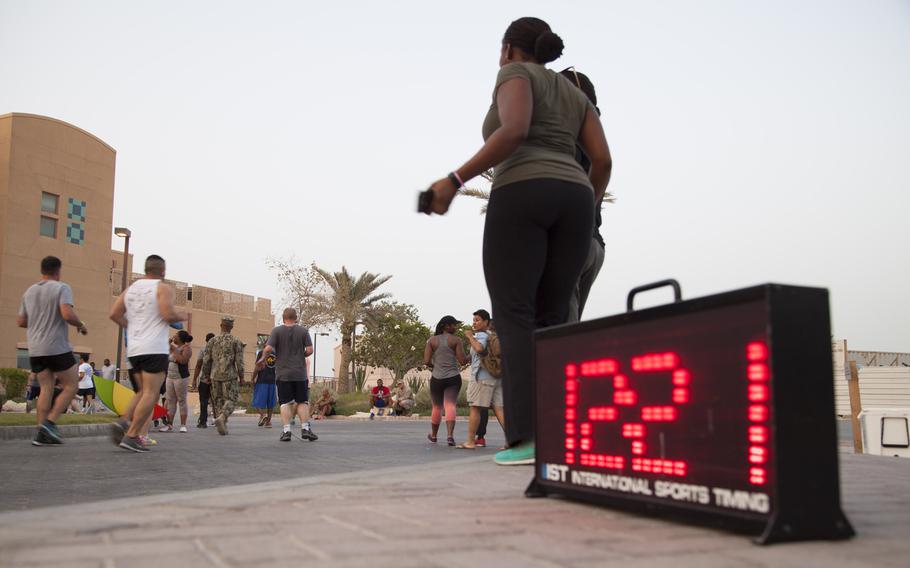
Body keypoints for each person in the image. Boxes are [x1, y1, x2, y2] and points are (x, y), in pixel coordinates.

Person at [420, 18, 611, 464]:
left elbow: (516, 129)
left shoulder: (515, 73)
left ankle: (526, 438)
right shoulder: (576, 95)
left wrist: (453, 180)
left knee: (514, 315)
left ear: (508, 48)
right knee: (552, 319)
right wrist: (586, 203)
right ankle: (561, 434)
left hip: (522, 193)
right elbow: (601, 160)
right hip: (576, 202)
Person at [109, 254, 188, 452]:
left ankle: (124, 421)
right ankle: (132, 435)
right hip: (153, 347)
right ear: (162, 271)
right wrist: (182, 315)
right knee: (151, 394)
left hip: (134, 349)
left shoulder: (131, 289)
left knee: (141, 391)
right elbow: (167, 314)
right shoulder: (162, 288)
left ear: (146, 269)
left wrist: (133, 327)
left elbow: (114, 314)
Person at [16, 256, 87, 446]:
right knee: (72, 386)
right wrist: (80, 325)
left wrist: (39, 322)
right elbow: (67, 313)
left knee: (46, 388)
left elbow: (21, 321)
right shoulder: (61, 288)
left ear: (42, 270)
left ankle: (41, 432)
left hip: (35, 348)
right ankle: (50, 422)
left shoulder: (29, 291)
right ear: (58, 270)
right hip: (55, 346)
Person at [560, 67, 607, 323]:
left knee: (557, 333)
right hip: (594, 243)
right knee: (569, 325)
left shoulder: (569, 132)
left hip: (571, 244)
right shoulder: (594, 132)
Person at [257, 308, 317, 443]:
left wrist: (262, 360)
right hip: (300, 374)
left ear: (283, 318)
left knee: (285, 402)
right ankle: (305, 429)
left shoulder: (276, 331)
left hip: (283, 374)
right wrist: (301, 356)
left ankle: (286, 431)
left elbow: (267, 349)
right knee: (302, 401)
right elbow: (309, 350)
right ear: (295, 318)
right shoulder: (303, 331)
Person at [458, 310, 506, 449]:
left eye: (478, 320)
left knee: (475, 408)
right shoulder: (493, 336)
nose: (474, 322)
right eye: (474, 320)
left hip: (481, 378)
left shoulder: (481, 336)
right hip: (496, 377)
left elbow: (479, 349)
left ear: (486, 322)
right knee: (499, 409)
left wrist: (469, 337)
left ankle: (470, 441)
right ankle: (512, 441)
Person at [423, 316, 469, 446]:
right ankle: (450, 436)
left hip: (437, 378)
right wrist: (474, 354)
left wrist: (435, 366)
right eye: (453, 325)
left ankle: (434, 436)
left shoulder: (431, 341)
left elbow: (426, 361)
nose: (456, 327)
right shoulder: (456, 340)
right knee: (450, 405)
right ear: (446, 326)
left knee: (437, 407)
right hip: (453, 377)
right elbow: (462, 360)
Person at [202, 316, 245, 436]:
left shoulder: (212, 341)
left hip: (214, 375)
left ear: (221, 325)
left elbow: (206, 360)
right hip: (229, 375)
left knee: (218, 400)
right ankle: (223, 418)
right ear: (231, 327)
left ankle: (223, 423)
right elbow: (239, 361)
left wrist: (206, 374)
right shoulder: (236, 341)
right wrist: (241, 376)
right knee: (231, 399)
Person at [160, 330, 193, 433]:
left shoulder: (186, 348)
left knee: (181, 400)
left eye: (176, 335)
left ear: (180, 338)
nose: (173, 336)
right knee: (170, 400)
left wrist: (173, 349)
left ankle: (183, 425)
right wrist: (168, 344)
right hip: (170, 377)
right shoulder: (173, 347)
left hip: (181, 377)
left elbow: (183, 360)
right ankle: (169, 424)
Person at [190, 332, 216, 428]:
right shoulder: (218, 351)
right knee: (215, 401)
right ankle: (216, 419)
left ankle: (203, 421)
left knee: (203, 401)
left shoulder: (203, 350)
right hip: (216, 380)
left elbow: (198, 366)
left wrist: (194, 379)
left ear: (206, 340)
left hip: (204, 380)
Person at [251, 349, 278, 428]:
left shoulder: (261, 352)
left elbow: (258, 367)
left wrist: (253, 378)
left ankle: (263, 415)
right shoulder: (276, 354)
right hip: (272, 381)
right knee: (271, 403)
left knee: (256, 401)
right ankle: (268, 422)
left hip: (262, 380)